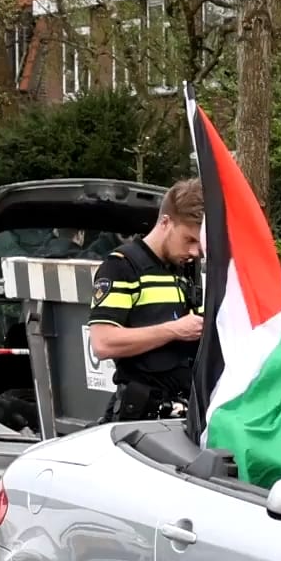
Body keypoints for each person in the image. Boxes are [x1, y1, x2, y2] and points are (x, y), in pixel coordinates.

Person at [86, 178, 206, 423]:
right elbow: (102, 343)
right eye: (189, 240)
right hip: (140, 418)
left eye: (199, 243)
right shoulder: (122, 266)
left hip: (184, 414)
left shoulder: (186, 269)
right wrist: (174, 330)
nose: (195, 252)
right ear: (165, 223)